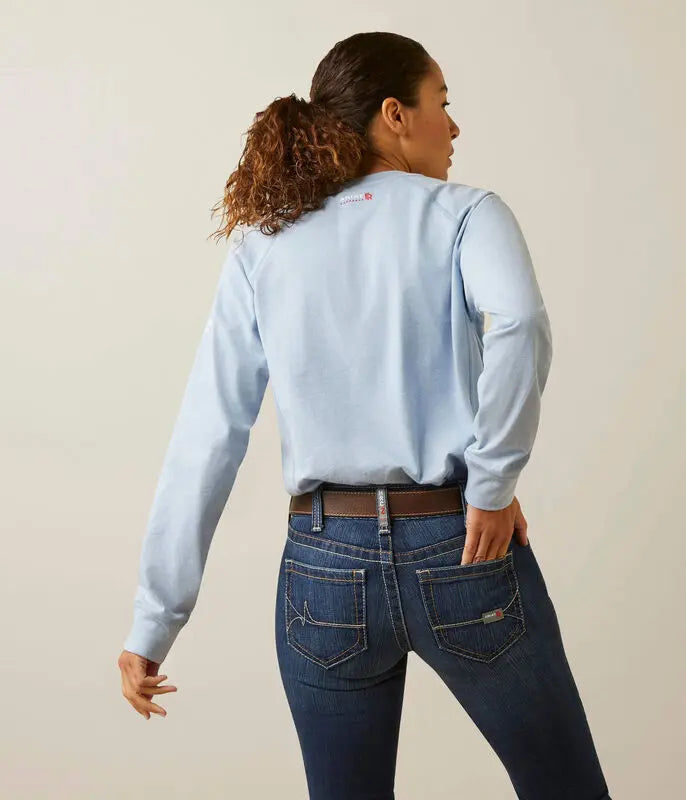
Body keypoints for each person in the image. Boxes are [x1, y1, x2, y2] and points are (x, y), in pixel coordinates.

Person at [118, 30, 612, 800]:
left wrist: (155, 620)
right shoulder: (466, 213)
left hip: (324, 568)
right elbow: (518, 323)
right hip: (461, 544)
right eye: (442, 103)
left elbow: (208, 434)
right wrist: (490, 484)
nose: (454, 126)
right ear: (395, 114)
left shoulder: (263, 243)